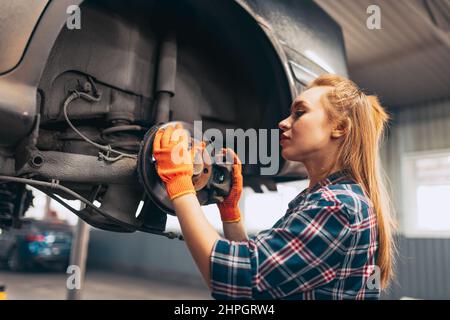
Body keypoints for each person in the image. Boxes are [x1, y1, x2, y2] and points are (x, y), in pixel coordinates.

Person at [152, 74, 396, 300]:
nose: (282, 123)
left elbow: (231, 277)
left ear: (340, 127)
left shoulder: (337, 205)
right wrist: (230, 213)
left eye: (299, 113)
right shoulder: (323, 197)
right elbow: (265, 280)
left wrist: (180, 185)